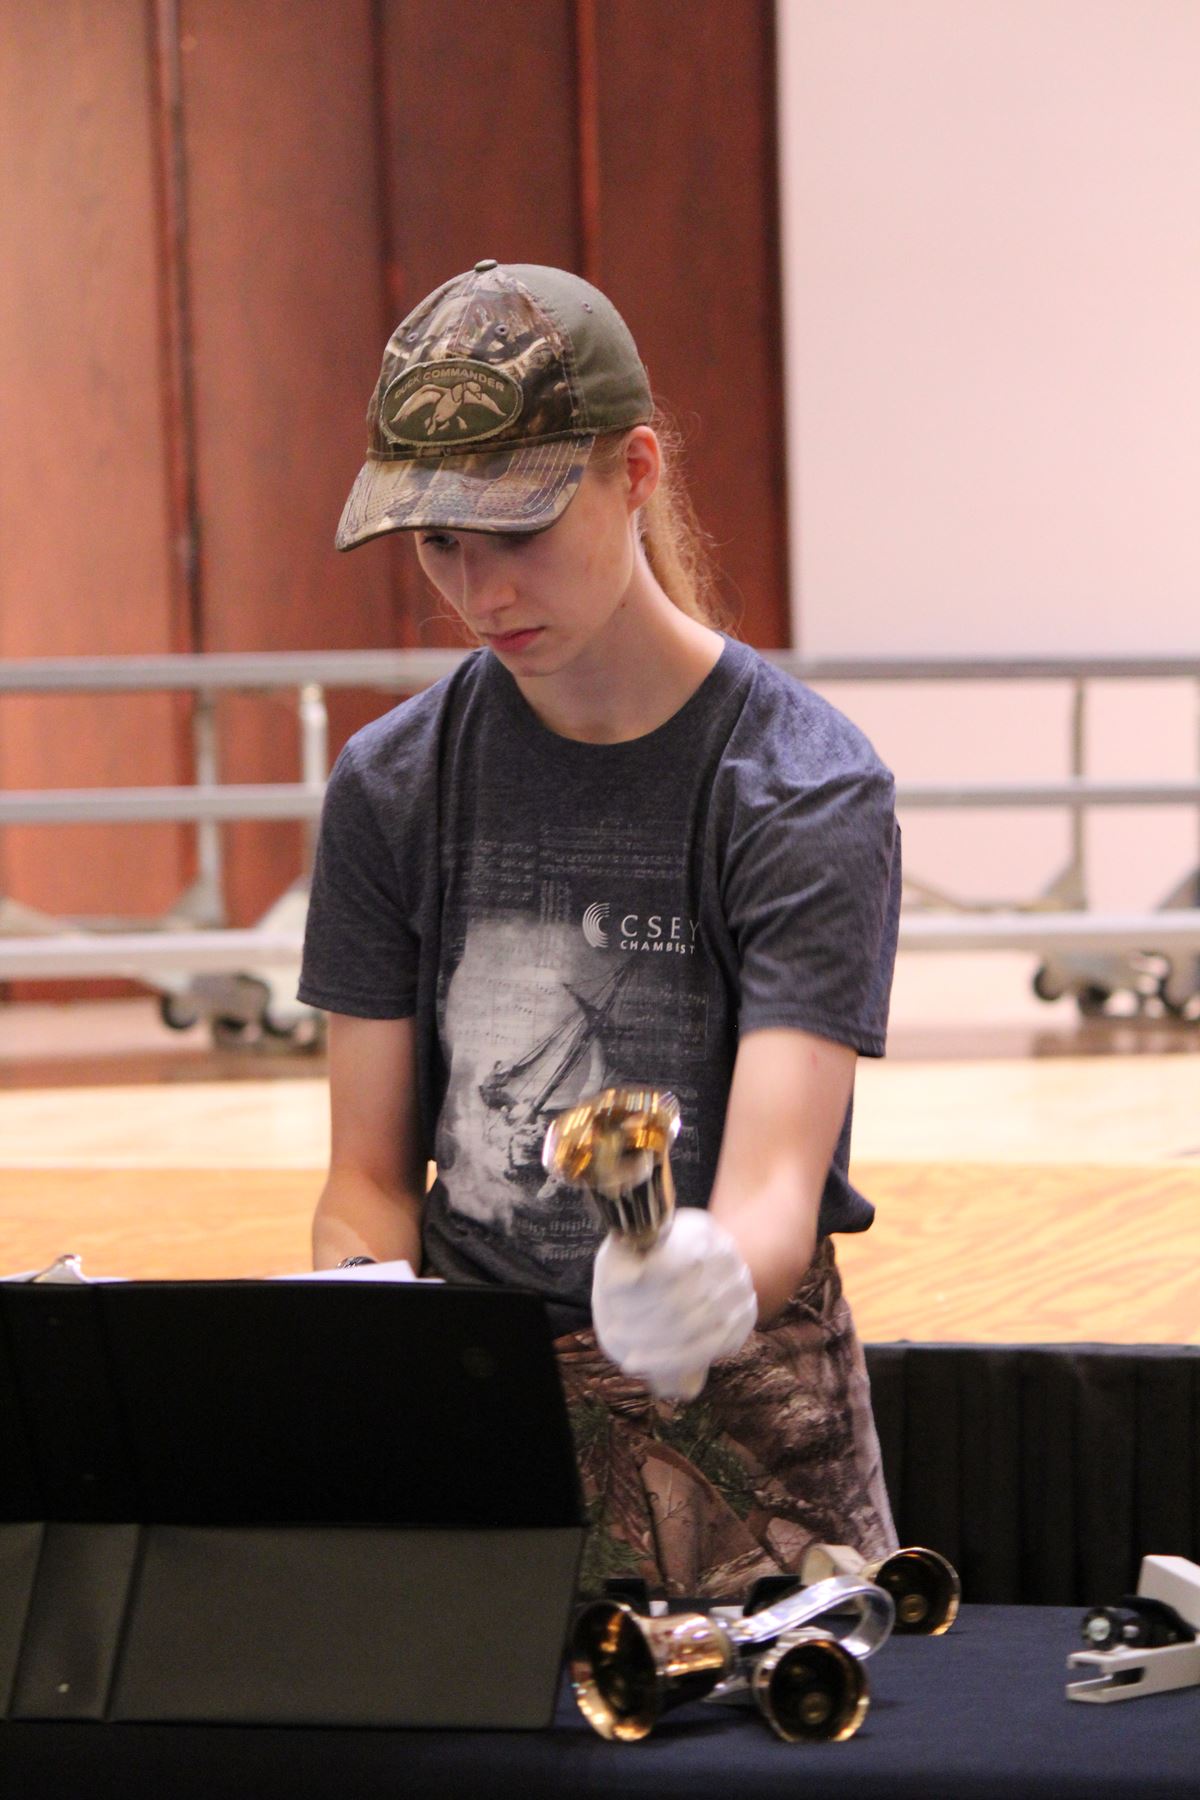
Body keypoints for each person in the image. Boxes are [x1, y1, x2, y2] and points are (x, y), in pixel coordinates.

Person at [299, 259, 901, 1597]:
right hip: (484, 1411)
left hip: (750, 1441)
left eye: (516, 531)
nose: (479, 589)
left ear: (635, 471)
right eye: (439, 543)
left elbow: (772, 1192)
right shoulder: (391, 786)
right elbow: (369, 1175)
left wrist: (705, 1277)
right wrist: (361, 1324)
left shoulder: (801, 786)